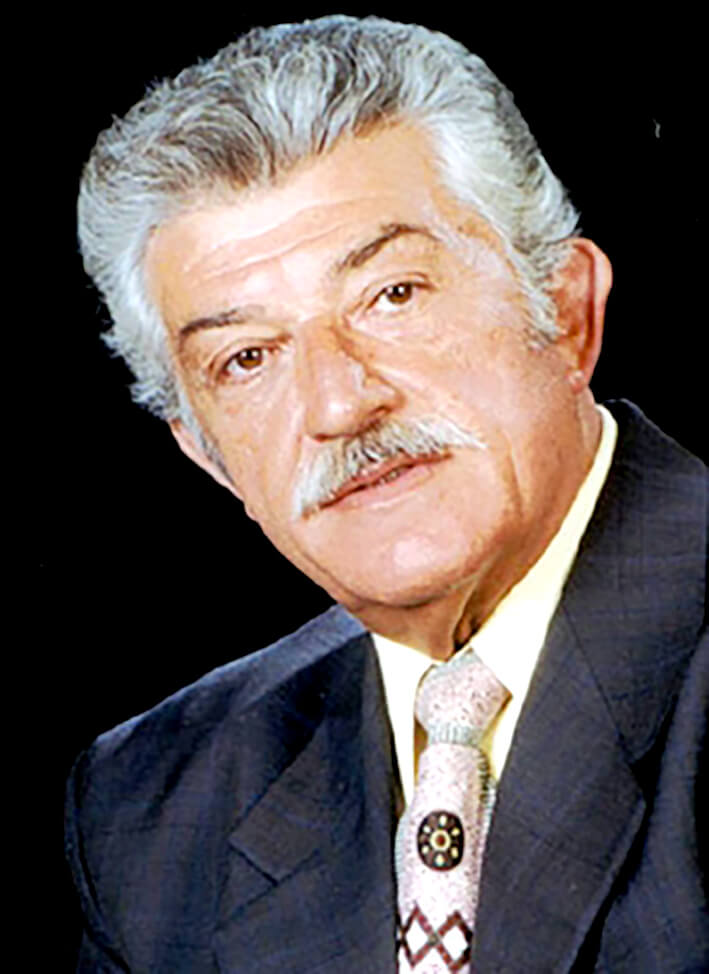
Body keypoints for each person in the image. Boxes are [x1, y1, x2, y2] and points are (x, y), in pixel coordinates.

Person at [65, 15, 707, 972]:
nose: (338, 404)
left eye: (391, 296)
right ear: (207, 455)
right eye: (247, 358)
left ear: (565, 311)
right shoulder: (156, 808)